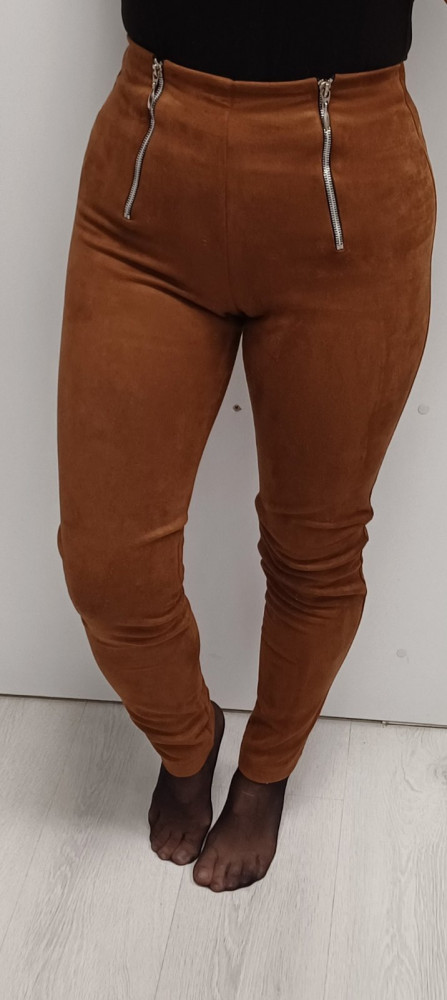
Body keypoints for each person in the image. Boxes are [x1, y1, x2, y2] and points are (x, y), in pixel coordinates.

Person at [56, 1, 441, 893]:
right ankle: (188, 741)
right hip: (150, 157)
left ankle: (266, 769)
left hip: (351, 170)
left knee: (315, 547)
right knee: (108, 566)